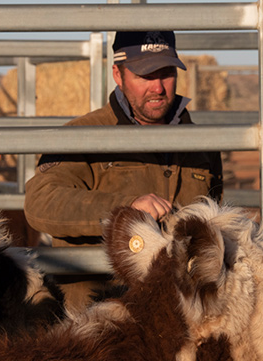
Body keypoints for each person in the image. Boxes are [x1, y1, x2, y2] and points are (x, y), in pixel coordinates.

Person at [24, 30, 223, 308]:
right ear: (118, 75)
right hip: (101, 315)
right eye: (145, 75)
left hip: (181, 312)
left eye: (166, 73)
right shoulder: (81, 135)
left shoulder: (200, 143)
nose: (158, 87)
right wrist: (125, 210)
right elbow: (41, 200)